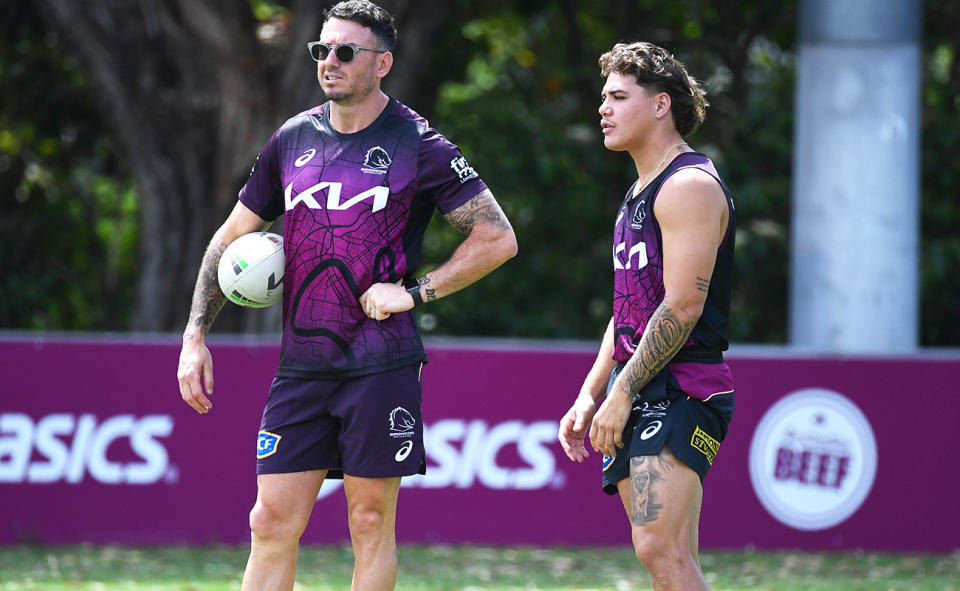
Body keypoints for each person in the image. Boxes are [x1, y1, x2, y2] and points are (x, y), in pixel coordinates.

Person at [176, 2, 517, 589]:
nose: (328, 62)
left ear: (382, 63)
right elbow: (232, 236)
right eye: (320, 50)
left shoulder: (419, 143)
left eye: (344, 52)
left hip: (380, 363)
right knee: (270, 520)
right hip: (303, 366)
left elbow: (496, 237)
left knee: (367, 520)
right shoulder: (292, 138)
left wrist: (416, 291)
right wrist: (195, 334)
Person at [558, 42, 735, 591]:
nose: (602, 109)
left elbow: (682, 307)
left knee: (659, 548)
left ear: (660, 105)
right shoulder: (638, 191)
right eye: (603, 98)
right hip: (639, 385)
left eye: (617, 96)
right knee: (671, 559)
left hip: (685, 386)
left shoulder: (688, 186)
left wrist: (622, 391)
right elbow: (630, 308)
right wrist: (591, 393)